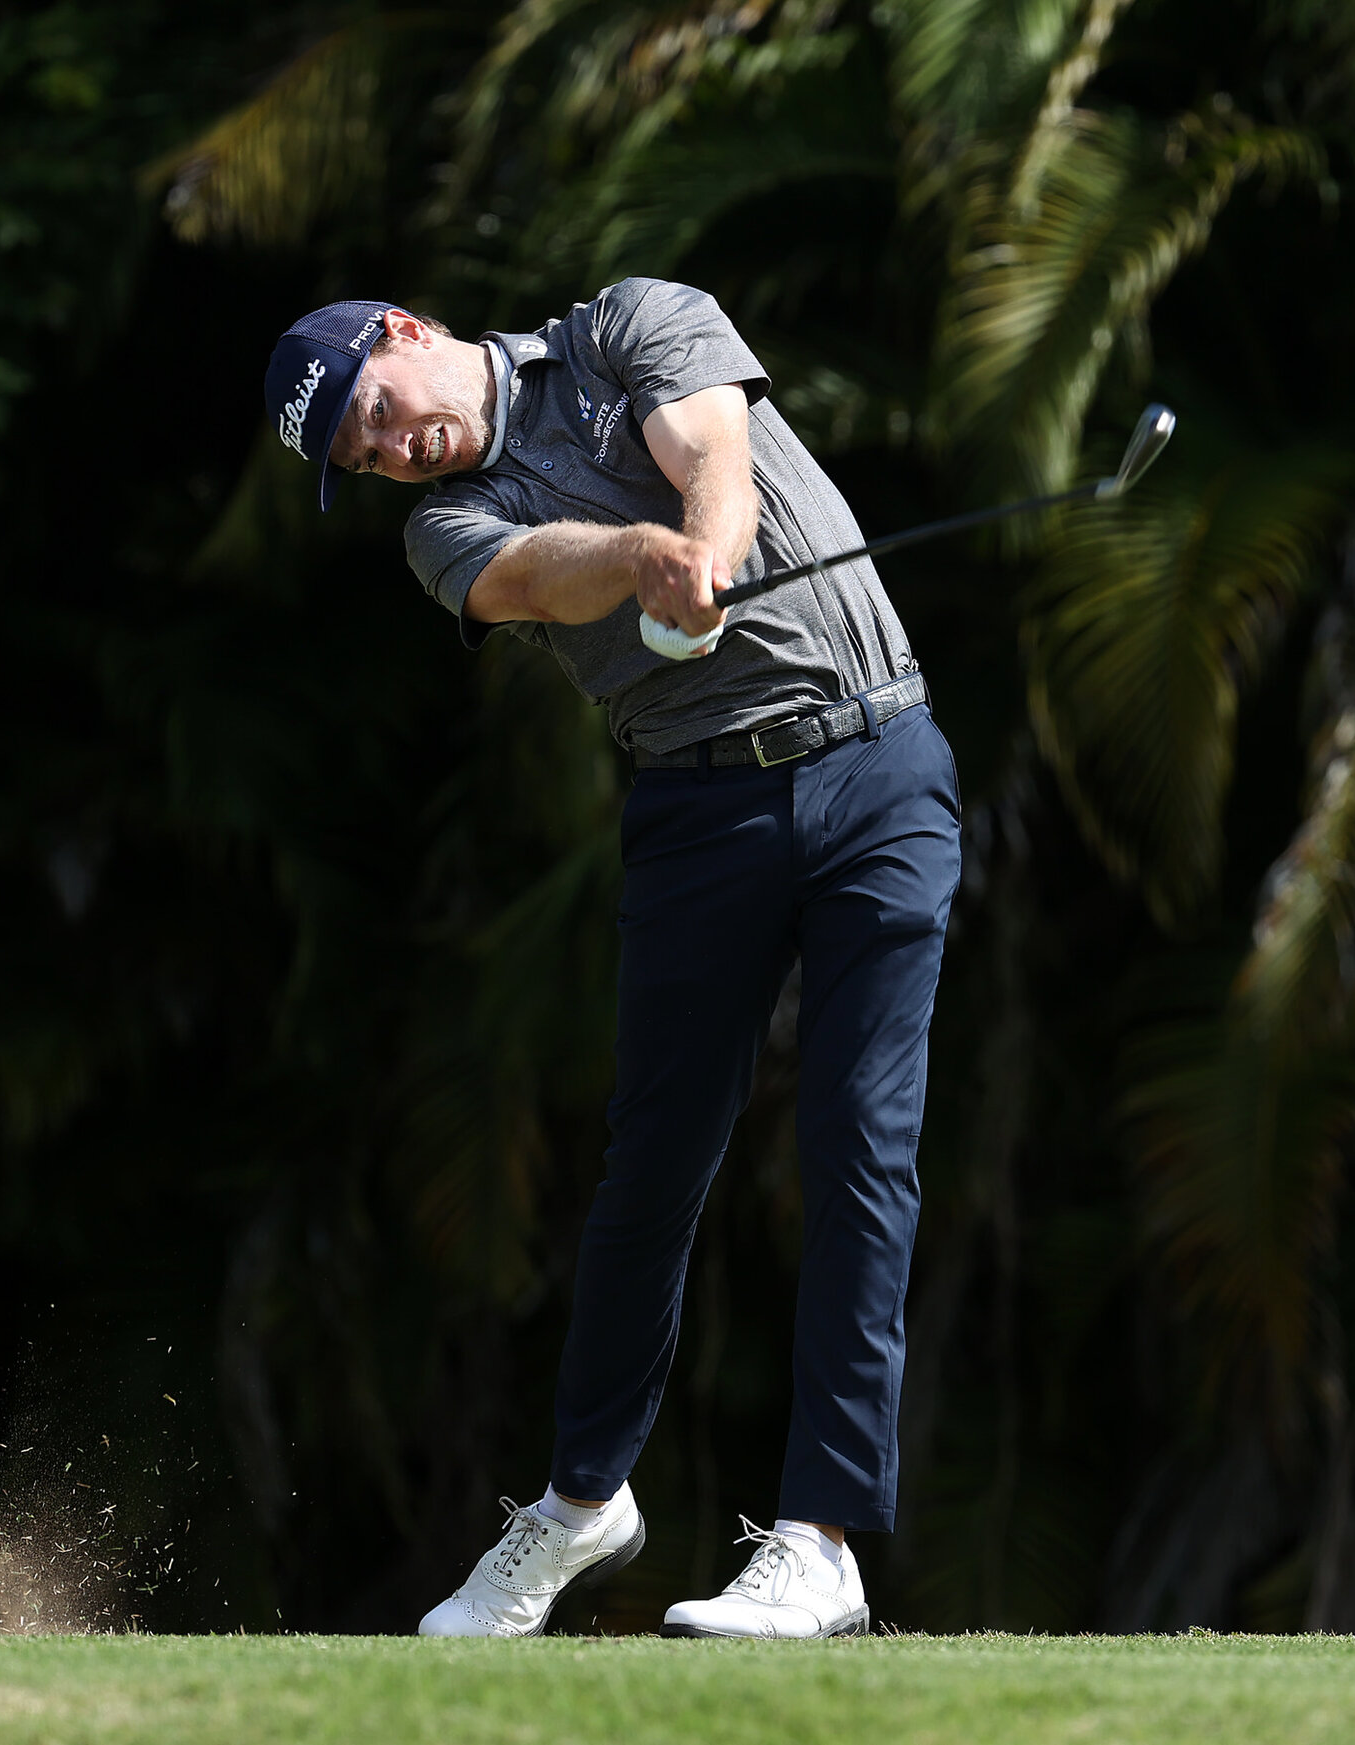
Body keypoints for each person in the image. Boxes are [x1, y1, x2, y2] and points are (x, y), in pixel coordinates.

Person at [260, 280, 960, 1639]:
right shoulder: (443, 527)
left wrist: (698, 543)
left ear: (403, 333)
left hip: (881, 764)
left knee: (861, 1145)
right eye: (360, 458)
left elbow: (715, 449)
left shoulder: (625, 325)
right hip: (703, 814)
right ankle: (585, 1501)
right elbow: (527, 579)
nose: (388, 450)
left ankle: (818, 1544)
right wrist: (642, 561)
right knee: (654, 1164)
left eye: (372, 417)